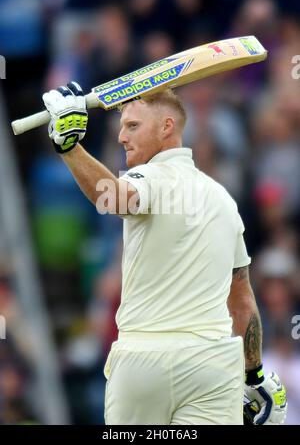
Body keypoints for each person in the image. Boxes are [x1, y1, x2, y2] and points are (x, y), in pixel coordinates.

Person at [42, 81, 287, 425]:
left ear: (167, 127)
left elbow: (112, 198)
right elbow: (243, 300)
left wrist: (69, 147)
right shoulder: (224, 200)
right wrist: (255, 374)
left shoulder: (149, 176)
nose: (121, 137)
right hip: (212, 364)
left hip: (145, 362)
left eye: (132, 126)